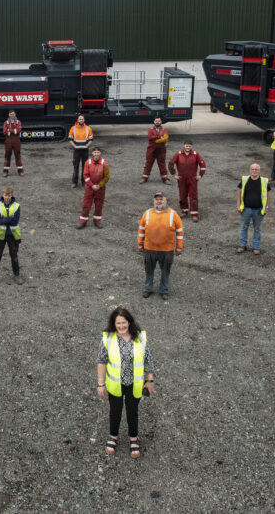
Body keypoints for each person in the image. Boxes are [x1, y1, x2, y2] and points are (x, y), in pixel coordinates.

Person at [96, 307, 155, 459]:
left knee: (132, 411)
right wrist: (100, 384)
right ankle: (113, 436)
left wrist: (150, 380)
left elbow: (148, 360)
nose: (121, 326)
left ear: (129, 322)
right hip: (115, 384)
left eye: (124, 323)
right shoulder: (108, 339)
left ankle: (133, 438)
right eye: (118, 323)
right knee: (115, 411)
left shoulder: (140, 338)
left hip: (134, 384)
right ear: (113, 324)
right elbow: (101, 361)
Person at [137, 192, 184, 299]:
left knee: (165, 270)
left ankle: (164, 290)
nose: (159, 201)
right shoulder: (147, 213)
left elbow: (180, 232)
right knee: (149, 270)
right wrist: (140, 243)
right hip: (149, 249)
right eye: (157, 199)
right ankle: (148, 288)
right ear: (154, 201)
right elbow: (141, 230)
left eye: (161, 199)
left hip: (167, 250)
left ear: (165, 201)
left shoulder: (173, 214)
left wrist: (179, 247)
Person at [0, 187, 23, 285]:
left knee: (14, 256)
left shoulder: (17, 206)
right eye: (5, 195)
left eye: (9, 195)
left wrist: (4, 219)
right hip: (0, 236)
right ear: (2, 195)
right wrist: (9, 218)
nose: (7, 198)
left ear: (11, 195)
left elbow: (15, 221)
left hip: (12, 235)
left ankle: (16, 275)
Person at [167, 141, 207, 221]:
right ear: (184, 146)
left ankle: (194, 214)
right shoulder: (178, 154)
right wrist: (174, 174)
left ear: (191, 146)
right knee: (182, 195)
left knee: (193, 196)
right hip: (182, 179)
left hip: (192, 179)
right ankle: (184, 211)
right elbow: (171, 163)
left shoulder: (196, 154)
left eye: (189, 146)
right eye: (186, 146)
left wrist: (200, 175)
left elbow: (202, 164)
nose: (188, 147)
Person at [236, 162, 268, 254]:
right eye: (253, 169)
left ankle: (256, 247)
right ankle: (242, 245)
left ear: (259, 171)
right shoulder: (245, 179)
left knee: (257, 229)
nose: (254, 171)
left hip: (258, 210)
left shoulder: (264, 181)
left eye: (256, 169)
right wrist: (238, 205)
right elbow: (239, 191)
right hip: (246, 209)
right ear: (250, 170)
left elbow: (268, 194)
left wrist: (266, 207)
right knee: (243, 227)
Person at [77, 146, 110, 229]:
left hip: (100, 188)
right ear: (92, 153)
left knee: (99, 205)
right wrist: (92, 185)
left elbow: (107, 176)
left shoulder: (104, 163)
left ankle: (97, 221)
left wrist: (99, 185)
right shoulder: (87, 163)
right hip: (89, 187)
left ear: (100, 153)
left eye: (98, 153)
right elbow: (85, 175)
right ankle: (83, 222)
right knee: (86, 204)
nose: (96, 154)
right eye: (95, 153)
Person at [140, 117, 170, 184]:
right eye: (156, 121)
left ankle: (165, 179)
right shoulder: (150, 130)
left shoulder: (164, 130)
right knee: (148, 163)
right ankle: (144, 178)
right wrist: (159, 137)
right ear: (154, 121)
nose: (157, 122)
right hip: (151, 150)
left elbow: (165, 139)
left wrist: (156, 140)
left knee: (162, 163)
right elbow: (150, 137)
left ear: (161, 122)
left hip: (161, 150)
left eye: (158, 121)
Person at [68, 114, 94, 187]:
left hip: (85, 151)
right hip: (76, 151)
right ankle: (74, 182)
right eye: (80, 119)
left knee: (85, 167)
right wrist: (75, 146)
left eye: (82, 119)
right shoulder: (73, 128)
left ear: (84, 120)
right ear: (77, 120)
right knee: (75, 166)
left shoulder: (88, 128)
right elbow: (70, 139)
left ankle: (84, 182)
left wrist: (87, 146)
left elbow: (91, 139)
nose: (81, 120)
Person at [2, 110, 24, 176]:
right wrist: (13, 131)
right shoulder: (6, 122)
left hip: (16, 142)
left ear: (15, 114)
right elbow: (4, 132)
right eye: (11, 114)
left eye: (13, 114)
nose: (12, 115)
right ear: (9, 115)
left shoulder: (18, 122)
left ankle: (20, 171)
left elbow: (18, 130)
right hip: (8, 142)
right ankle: (5, 171)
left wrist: (9, 130)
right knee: (7, 156)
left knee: (18, 156)